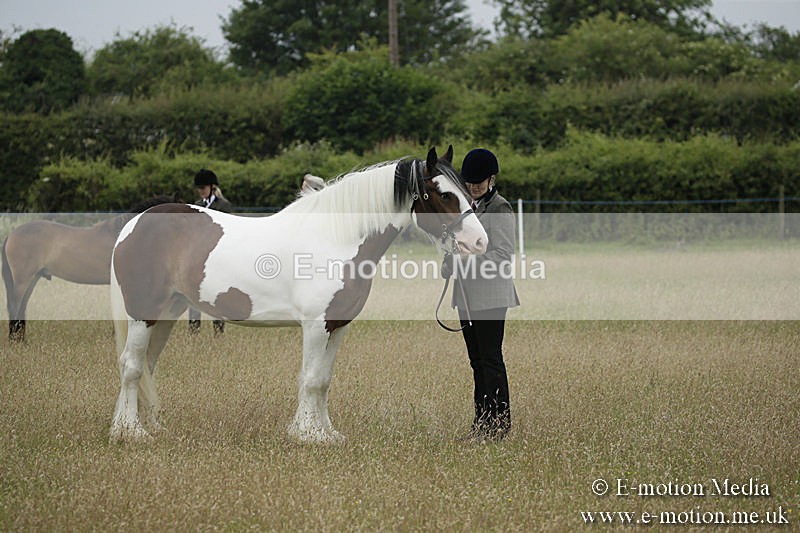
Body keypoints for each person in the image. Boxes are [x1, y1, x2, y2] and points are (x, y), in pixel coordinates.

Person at [442, 148, 520, 443]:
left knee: (490, 360)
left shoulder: (500, 208)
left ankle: (499, 425)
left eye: (478, 183)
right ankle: (481, 422)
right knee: (476, 362)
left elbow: (502, 254)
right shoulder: (464, 208)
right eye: (470, 183)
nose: (474, 188)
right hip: (466, 296)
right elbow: (453, 245)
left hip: (491, 297)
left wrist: (466, 261)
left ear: (491, 179)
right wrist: (448, 262)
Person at [189, 169, 233, 335]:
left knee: (217, 292)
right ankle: (194, 329)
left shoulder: (223, 206)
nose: (201, 190)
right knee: (193, 291)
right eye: (199, 188)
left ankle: (218, 330)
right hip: (198, 256)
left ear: (212, 187)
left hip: (217, 255)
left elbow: (229, 229)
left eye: (204, 187)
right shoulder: (196, 206)